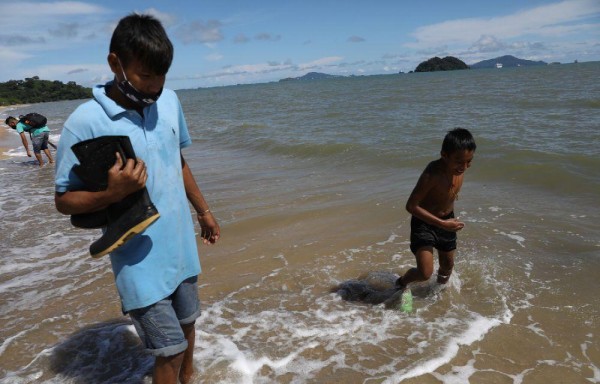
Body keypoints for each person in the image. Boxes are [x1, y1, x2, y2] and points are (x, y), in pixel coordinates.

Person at [54, 13, 220, 384]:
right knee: (169, 350)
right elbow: (63, 200)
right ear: (116, 63)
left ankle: (189, 380)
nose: (155, 87)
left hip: (180, 249)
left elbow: (177, 160)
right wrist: (112, 193)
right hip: (137, 260)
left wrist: (204, 212)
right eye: (146, 76)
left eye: (162, 76)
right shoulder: (84, 122)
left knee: (188, 328)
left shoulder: (170, 101)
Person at [396, 128, 476, 290]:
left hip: (446, 221)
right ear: (444, 155)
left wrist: (446, 223)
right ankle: (401, 284)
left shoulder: (459, 169)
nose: (464, 166)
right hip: (424, 223)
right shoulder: (432, 173)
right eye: (459, 161)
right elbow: (411, 206)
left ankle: (436, 293)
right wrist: (441, 224)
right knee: (425, 272)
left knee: (447, 266)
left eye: (469, 161)